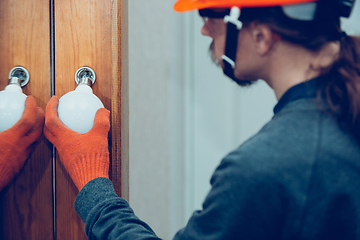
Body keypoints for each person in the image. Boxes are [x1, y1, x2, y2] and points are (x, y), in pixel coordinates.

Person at [2, 0, 360, 239]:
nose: (205, 30)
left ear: (262, 37)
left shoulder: (267, 167)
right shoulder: (341, 116)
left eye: (209, 17)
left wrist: (91, 177)